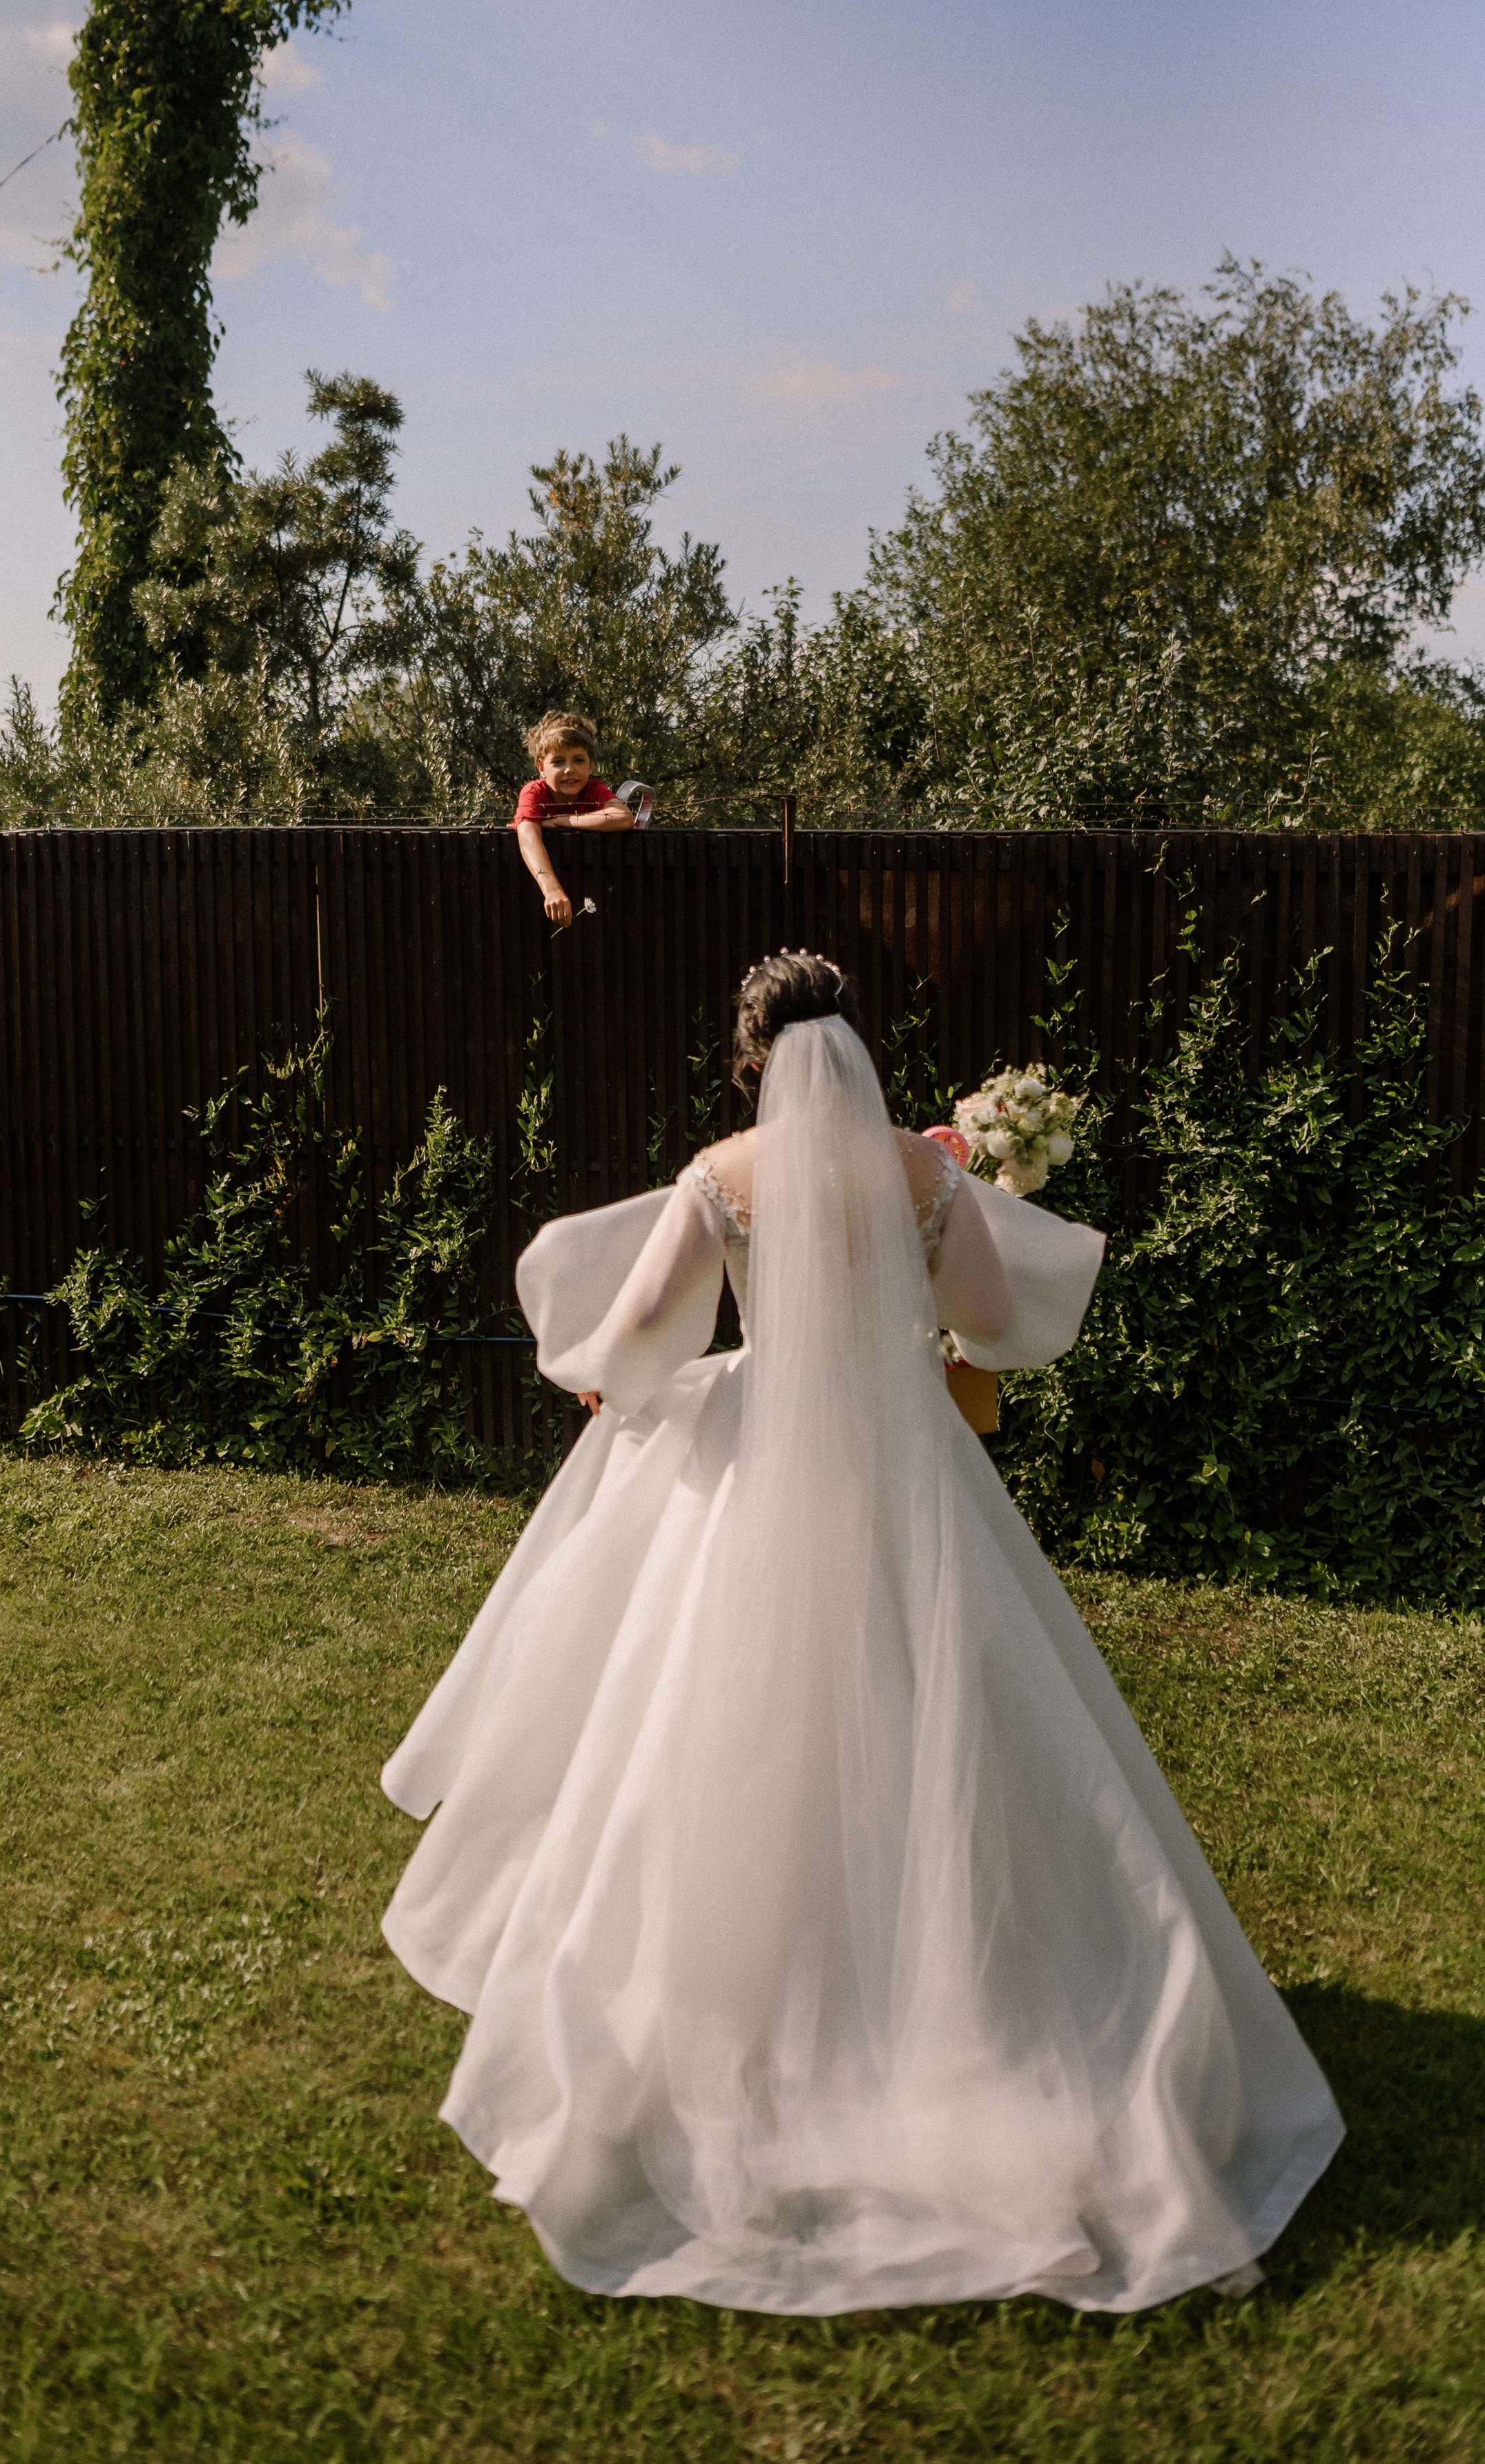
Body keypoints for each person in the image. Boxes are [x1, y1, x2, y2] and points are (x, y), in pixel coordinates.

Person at [380, 952, 1343, 2315]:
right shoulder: (923, 1172)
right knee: (944, 1715)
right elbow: (993, 1326)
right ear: (859, 1050)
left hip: (757, 1469)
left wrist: (599, 1377)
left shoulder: (720, 1173)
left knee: (719, 1727)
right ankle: (963, 1991)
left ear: (749, 1053)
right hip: (909, 1475)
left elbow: (648, 1328)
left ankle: (744, 2000)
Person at [513, 711, 636, 926]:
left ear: (591, 765)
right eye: (558, 761)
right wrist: (552, 890)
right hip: (539, 896)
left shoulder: (595, 790)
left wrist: (563, 820)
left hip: (590, 893)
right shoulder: (533, 792)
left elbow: (624, 817)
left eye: (579, 760)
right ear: (541, 767)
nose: (570, 769)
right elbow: (528, 837)